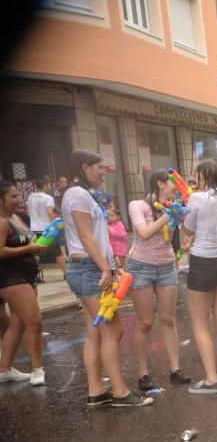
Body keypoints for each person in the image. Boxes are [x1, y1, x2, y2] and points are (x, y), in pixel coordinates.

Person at [62, 149, 151, 407]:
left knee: (96, 332)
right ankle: (120, 393)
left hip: (87, 268)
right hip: (89, 269)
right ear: (83, 167)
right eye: (99, 167)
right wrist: (105, 268)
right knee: (113, 330)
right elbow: (86, 235)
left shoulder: (78, 195)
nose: (104, 171)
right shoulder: (77, 194)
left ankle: (96, 391)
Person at [127, 169, 191, 392]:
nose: (178, 186)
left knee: (168, 320)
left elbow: (186, 232)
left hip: (166, 266)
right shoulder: (138, 205)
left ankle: (175, 369)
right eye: (174, 183)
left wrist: (185, 219)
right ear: (160, 183)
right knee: (144, 322)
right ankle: (143, 373)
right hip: (141, 266)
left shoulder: (174, 203)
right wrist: (169, 214)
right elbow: (144, 233)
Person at [181, 159, 217, 394]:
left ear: (203, 176)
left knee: (200, 322)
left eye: (197, 176)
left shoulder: (197, 198)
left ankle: (211, 379)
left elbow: (188, 229)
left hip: (203, 261)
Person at [0, 181, 45, 386]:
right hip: (12, 278)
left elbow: (26, 242)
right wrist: (28, 250)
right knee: (34, 321)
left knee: (17, 324)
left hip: (27, 276)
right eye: (13, 196)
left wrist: (34, 248)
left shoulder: (16, 217)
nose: (19, 200)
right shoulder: (2, 222)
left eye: (18, 196)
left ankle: (4, 369)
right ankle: (37, 369)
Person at [107, 200, 127, 270]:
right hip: (112, 248)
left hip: (120, 249)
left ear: (118, 216)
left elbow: (122, 235)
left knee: (122, 265)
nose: (110, 217)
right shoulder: (110, 224)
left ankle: (125, 277)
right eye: (109, 216)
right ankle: (117, 277)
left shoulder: (120, 224)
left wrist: (111, 230)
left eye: (112, 215)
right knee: (114, 265)